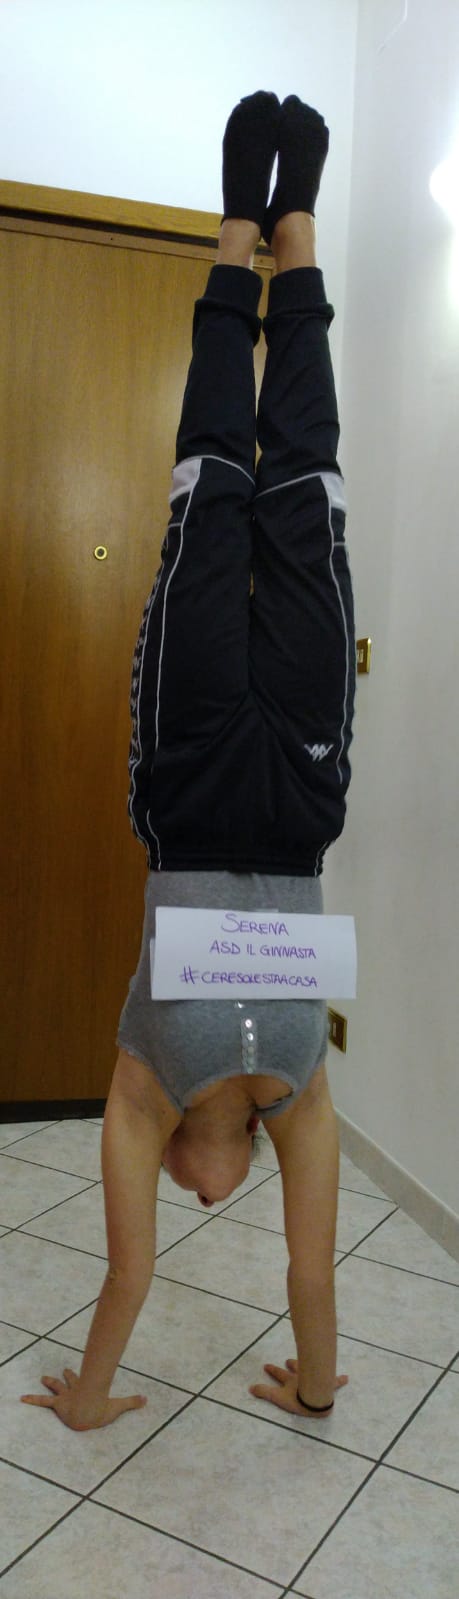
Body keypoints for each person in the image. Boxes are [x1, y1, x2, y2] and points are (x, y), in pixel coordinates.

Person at [22, 92, 355, 1431]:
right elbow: (186, 1272)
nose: (194, 1198)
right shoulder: (225, 1095)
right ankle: (276, 226)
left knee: (263, 480)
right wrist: (312, 1386)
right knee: (254, 479)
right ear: (203, 1160)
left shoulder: (218, 1087)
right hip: (244, 783)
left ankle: (265, 224)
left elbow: (176, 1275)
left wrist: (306, 1386)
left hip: (267, 780)